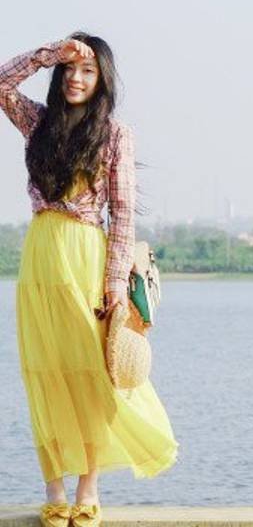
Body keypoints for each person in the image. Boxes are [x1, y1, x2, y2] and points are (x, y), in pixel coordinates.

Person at [0, 32, 179, 527]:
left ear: (103, 80)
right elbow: (1, 85)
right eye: (70, 70)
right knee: (45, 371)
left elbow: (122, 215)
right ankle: (54, 489)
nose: (76, 79)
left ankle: (88, 488)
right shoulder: (38, 122)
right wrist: (48, 54)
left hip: (87, 258)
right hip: (40, 258)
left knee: (90, 374)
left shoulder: (115, 135)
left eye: (87, 71)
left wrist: (115, 283)